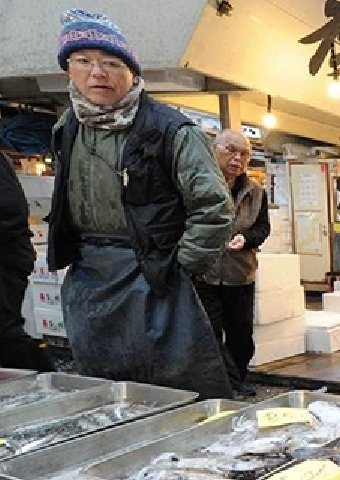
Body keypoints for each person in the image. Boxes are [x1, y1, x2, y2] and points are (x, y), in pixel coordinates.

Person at [47, 9, 234, 399]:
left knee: (174, 387)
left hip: (153, 273)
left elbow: (214, 207)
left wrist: (181, 266)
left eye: (111, 63)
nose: (98, 73)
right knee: (103, 390)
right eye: (84, 62)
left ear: (132, 72)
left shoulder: (171, 130)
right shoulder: (66, 127)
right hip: (89, 274)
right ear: (69, 69)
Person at [194, 130, 270, 398]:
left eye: (244, 154)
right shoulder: (198, 185)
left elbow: (263, 229)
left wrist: (246, 239)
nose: (237, 158)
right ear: (214, 149)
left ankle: (238, 378)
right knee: (211, 335)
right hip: (205, 274)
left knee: (241, 338)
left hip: (241, 274)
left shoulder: (257, 193)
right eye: (231, 150)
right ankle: (224, 385)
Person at [0, 153, 54, 371]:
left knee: (5, 331)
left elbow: (11, 210)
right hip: (12, 250)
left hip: (6, 257)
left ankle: (46, 385)